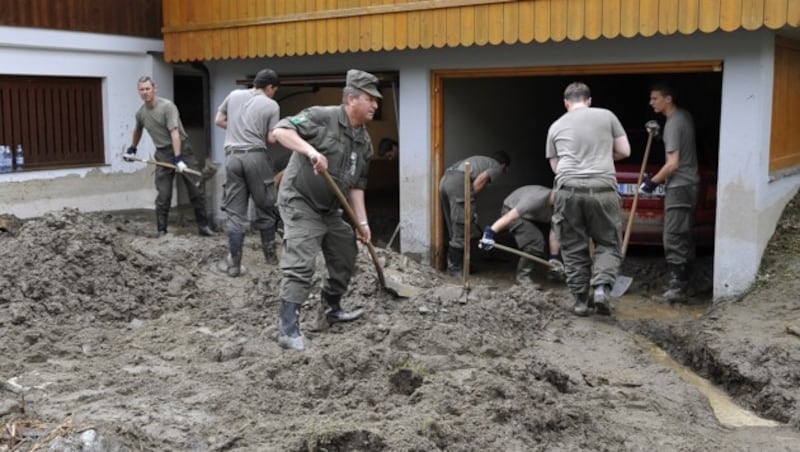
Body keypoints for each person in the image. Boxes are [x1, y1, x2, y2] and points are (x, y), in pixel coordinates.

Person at [270, 69, 382, 351]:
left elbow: (357, 186)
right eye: (370, 99)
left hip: (331, 209)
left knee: (345, 253)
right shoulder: (322, 116)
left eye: (376, 101)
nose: (376, 105)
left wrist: (362, 222)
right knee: (302, 261)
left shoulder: (364, 141)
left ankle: (331, 309)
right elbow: (280, 131)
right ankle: (287, 328)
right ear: (352, 98)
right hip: (300, 201)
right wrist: (310, 151)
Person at [546, 82, 631, 316]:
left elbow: (556, 167)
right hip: (602, 189)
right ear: (589, 100)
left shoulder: (556, 126)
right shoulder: (607, 116)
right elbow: (625, 152)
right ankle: (602, 287)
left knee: (573, 246)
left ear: (566, 103)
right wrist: (603, 154)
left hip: (568, 190)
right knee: (608, 242)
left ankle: (581, 301)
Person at [124, 76, 214, 238]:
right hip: (162, 154)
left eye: (147, 89)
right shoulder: (141, 113)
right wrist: (132, 148)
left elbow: (175, 133)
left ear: (154, 89)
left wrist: (179, 158)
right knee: (163, 194)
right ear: (139, 92)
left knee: (195, 190)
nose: (145, 92)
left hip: (182, 150)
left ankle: (204, 227)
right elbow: (138, 130)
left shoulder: (167, 107)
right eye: (142, 89)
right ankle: (162, 231)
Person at [214, 69, 281, 277]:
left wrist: (238, 131)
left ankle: (234, 265)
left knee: (236, 213)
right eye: (274, 90)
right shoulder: (271, 105)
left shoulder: (234, 95)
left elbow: (219, 120)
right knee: (265, 206)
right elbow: (271, 139)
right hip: (256, 157)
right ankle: (271, 260)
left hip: (232, 158)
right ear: (270, 87)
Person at [641, 84, 700, 303]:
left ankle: (677, 289)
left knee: (674, 236)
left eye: (655, 98)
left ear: (668, 99)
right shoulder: (683, 117)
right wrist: (657, 136)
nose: (651, 102)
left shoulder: (674, 124)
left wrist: (651, 183)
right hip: (689, 184)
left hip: (680, 186)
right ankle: (688, 286)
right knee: (684, 234)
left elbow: (673, 163)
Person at [439, 151, 510, 276]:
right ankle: (454, 268)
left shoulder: (480, 159)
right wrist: (470, 204)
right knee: (462, 225)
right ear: (504, 165)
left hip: (445, 180)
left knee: (453, 225)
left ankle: (462, 264)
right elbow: (481, 180)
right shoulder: (497, 167)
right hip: (458, 182)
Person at [478, 185, 565, 286]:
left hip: (533, 216)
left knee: (542, 242)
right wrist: (489, 234)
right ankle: (523, 278)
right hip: (511, 209)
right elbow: (509, 217)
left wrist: (554, 257)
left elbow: (555, 230)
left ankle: (551, 271)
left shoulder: (561, 206)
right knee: (535, 241)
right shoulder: (534, 199)